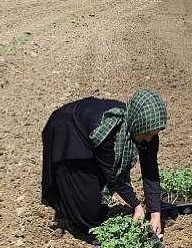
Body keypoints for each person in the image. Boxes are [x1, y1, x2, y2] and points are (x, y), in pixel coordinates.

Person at [41, 89, 167, 235]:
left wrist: (155, 212)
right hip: (68, 131)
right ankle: (66, 204)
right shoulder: (108, 130)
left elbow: (150, 171)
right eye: (146, 134)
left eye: (154, 134)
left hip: (92, 140)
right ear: (136, 124)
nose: (149, 139)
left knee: (97, 202)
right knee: (90, 215)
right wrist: (137, 206)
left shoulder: (147, 129)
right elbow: (113, 174)